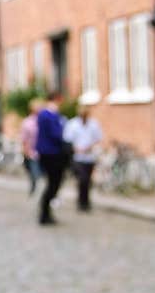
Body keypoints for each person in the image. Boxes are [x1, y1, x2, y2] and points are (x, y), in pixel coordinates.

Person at [35, 92, 67, 225]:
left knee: (52, 183)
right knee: (54, 183)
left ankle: (45, 212)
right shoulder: (50, 115)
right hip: (52, 153)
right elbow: (57, 134)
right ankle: (45, 213)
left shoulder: (43, 114)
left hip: (46, 153)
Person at [63, 105, 103, 212]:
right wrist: (76, 149)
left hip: (90, 157)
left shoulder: (93, 124)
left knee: (88, 180)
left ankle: (86, 201)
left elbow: (98, 138)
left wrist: (90, 147)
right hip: (78, 157)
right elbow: (68, 140)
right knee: (82, 179)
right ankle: (81, 202)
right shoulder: (72, 124)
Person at [19, 98, 44, 195]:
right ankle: (35, 192)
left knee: (41, 175)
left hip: (43, 152)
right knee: (35, 175)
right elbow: (24, 139)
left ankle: (38, 192)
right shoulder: (27, 122)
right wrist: (26, 152)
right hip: (32, 153)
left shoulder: (43, 121)